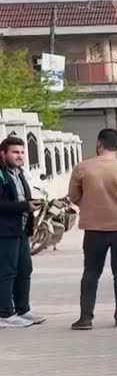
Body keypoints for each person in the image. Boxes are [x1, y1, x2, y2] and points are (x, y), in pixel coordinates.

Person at [68, 128, 117, 330]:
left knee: (91, 272)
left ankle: (85, 318)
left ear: (98, 144)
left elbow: (74, 197)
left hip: (93, 229)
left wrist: (90, 204)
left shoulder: (82, 169)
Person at [0, 136, 43, 328]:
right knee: (7, 271)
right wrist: (24, 205)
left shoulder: (19, 173)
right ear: (3, 153)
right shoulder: (1, 174)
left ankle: (23, 309)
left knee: (24, 269)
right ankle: (5, 313)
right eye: (15, 152)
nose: (19, 156)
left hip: (21, 229)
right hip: (5, 231)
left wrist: (31, 204)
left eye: (22, 152)